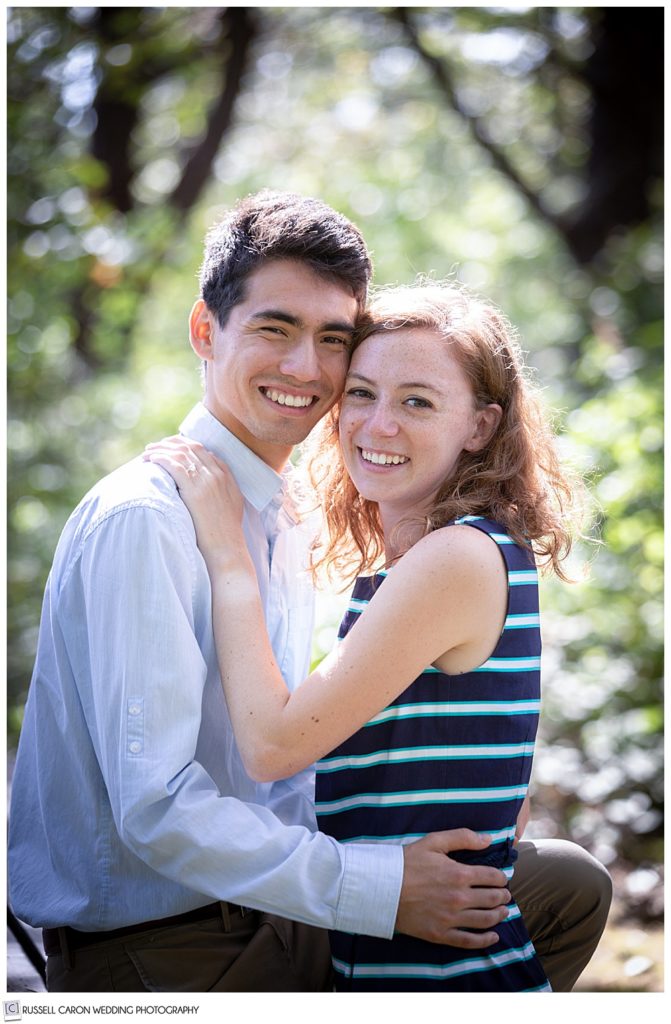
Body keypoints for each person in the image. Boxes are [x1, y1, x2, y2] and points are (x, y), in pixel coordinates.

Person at [8, 191, 611, 993]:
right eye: (274, 328)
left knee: (562, 885)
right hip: (173, 947)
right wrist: (384, 888)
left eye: (332, 340)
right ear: (203, 330)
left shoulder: (277, 516)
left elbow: (300, 753)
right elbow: (157, 810)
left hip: (278, 910)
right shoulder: (149, 520)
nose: (306, 369)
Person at [144, 280, 608, 992]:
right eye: (360, 394)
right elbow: (498, 802)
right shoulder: (436, 559)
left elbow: (272, 746)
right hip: (392, 965)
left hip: (439, 981)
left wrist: (226, 550)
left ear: (479, 427)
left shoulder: (453, 559)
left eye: (416, 401)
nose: (376, 425)